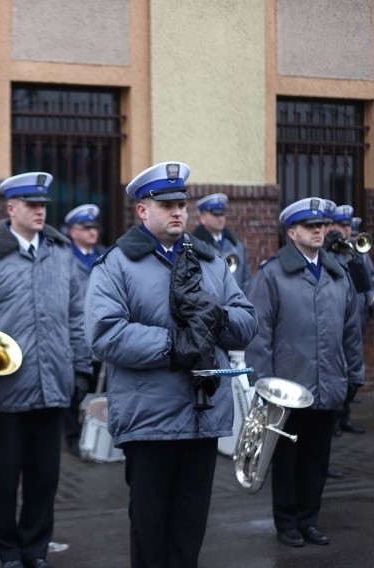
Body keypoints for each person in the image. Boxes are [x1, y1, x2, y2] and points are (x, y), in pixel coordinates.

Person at [84, 161, 257, 568]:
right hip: (151, 421)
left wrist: (216, 318)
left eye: (182, 203)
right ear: (142, 210)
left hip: (203, 418)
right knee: (150, 531)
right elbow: (105, 335)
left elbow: (246, 321)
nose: (178, 211)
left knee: (190, 529)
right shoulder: (117, 264)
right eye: (166, 204)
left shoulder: (211, 262)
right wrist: (175, 344)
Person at [0, 172, 91, 568]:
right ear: (11, 209)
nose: (40, 212)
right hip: (5, 386)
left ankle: (36, 549)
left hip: (54, 384)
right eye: (32, 205)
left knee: (45, 477)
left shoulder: (61, 253)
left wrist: (81, 369)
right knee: (8, 478)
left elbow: (76, 316)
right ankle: (9, 551)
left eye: (43, 205)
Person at [244, 197, 364, 548]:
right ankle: (287, 523)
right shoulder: (272, 274)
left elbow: (350, 331)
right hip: (288, 390)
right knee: (287, 462)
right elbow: (259, 333)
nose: (319, 231)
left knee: (316, 460)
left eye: (322, 226)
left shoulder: (336, 274)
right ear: (291, 232)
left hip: (328, 385)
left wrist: (354, 376)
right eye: (310, 226)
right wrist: (263, 385)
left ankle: (310, 520)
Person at [325, 204, 374, 435]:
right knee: (338, 371)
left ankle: (345, 415)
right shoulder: (326, 251)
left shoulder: (355, 250)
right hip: (335, 318)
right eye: (342, 225)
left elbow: (370, 280)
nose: (347, 230)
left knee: (355, 374)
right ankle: (333, 420)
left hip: (357, 317)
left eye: (349, 225)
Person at [62, 203, 106, 455]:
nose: (92, 232)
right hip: (76, 332)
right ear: (72, 232)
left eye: (94, 228)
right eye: (85, 228)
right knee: (74, 388)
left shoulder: (104, 256)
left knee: (98, 387)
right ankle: (72, 437)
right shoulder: (66, 258)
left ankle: (98, 435)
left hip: (100, 331)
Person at [192, 192, 250, 290]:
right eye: (215, 214)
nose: (221, 218)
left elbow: (246, 281)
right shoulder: (194, 246)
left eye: (222, 213)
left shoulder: (236, 245)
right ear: (202, 218)